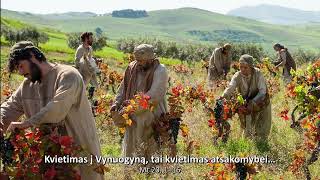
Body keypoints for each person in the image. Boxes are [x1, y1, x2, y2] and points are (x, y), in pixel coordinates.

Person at [1, 41, 103, 179]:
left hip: (77, 150)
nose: (20, 72)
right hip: (46, 154)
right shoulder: (27, 85)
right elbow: (8, 108)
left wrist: (26, 124)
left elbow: (57, 108)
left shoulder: (68, 75)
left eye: (21, 66)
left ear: (32, 56)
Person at [110, 44, 169, 158]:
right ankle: (133, 169)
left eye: (142, 60)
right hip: (133, 114)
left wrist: (133, 107)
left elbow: (154, 95)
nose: (139, 63)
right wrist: (116, 103)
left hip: (151, 113)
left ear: (151, 58)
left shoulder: (160, 70)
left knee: (151, 143)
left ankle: (151, 171)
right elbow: (123, 88)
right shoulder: (132, 67)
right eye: (137, 60)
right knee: (133, 145)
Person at [221, 54, 271, 141]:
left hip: (261, 100)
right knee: (247, 122)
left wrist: (253, 101)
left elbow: (262, 91)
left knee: (264, 122)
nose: (242, 69)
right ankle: (248, 140)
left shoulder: (258, 74)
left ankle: (262, 141)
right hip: (247, 102)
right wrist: (222, 98)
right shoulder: (237, 75)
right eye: (241, 67)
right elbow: (230, 88)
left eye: (245, 67)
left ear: (251, 67)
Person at [75, 32, 100, 98]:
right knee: (80, 90)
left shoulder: (90, 48)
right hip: (82, 73)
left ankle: (91, 97)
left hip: (89, 72)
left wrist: (95, 60)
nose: (92, 39)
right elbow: (77, 63)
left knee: (95, 85)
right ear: (86, 39)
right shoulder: (80, 49)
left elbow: (90, 59)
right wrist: (85, 62)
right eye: (91, 38)